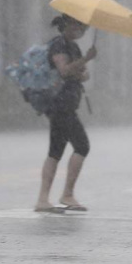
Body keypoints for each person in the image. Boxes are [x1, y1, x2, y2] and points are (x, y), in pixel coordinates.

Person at [34, 14, 97, 213]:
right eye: (81, 27)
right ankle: (67, 194)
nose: (83, 31)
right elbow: (63, 70)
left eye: (85, 29)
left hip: (66, 105)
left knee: (55, 151)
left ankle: (43, 200)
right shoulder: (58, 45)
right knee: (82, 145)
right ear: (69, 24)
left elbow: (82, 74)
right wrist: (85, 59)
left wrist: (81, 67)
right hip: (60, 105)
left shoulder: (72, 46)